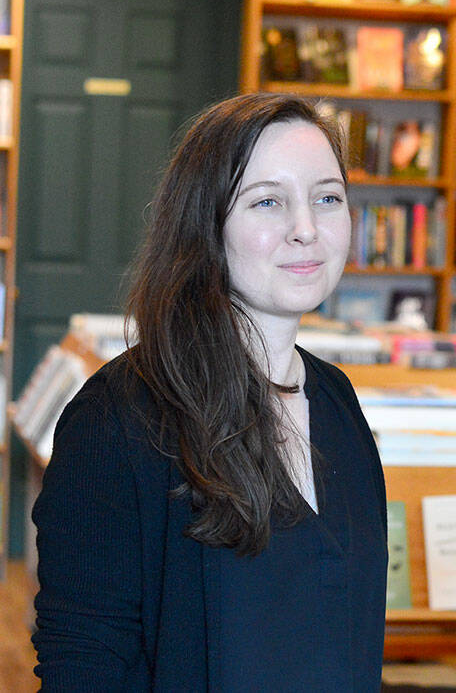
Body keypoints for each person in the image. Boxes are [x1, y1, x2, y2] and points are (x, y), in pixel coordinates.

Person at [30, 93, 387, 690]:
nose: (306, 229)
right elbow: (83, 664)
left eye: (327, 198)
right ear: (205, 222)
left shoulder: (337, 401)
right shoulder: (117, 419)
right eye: (268, 201)